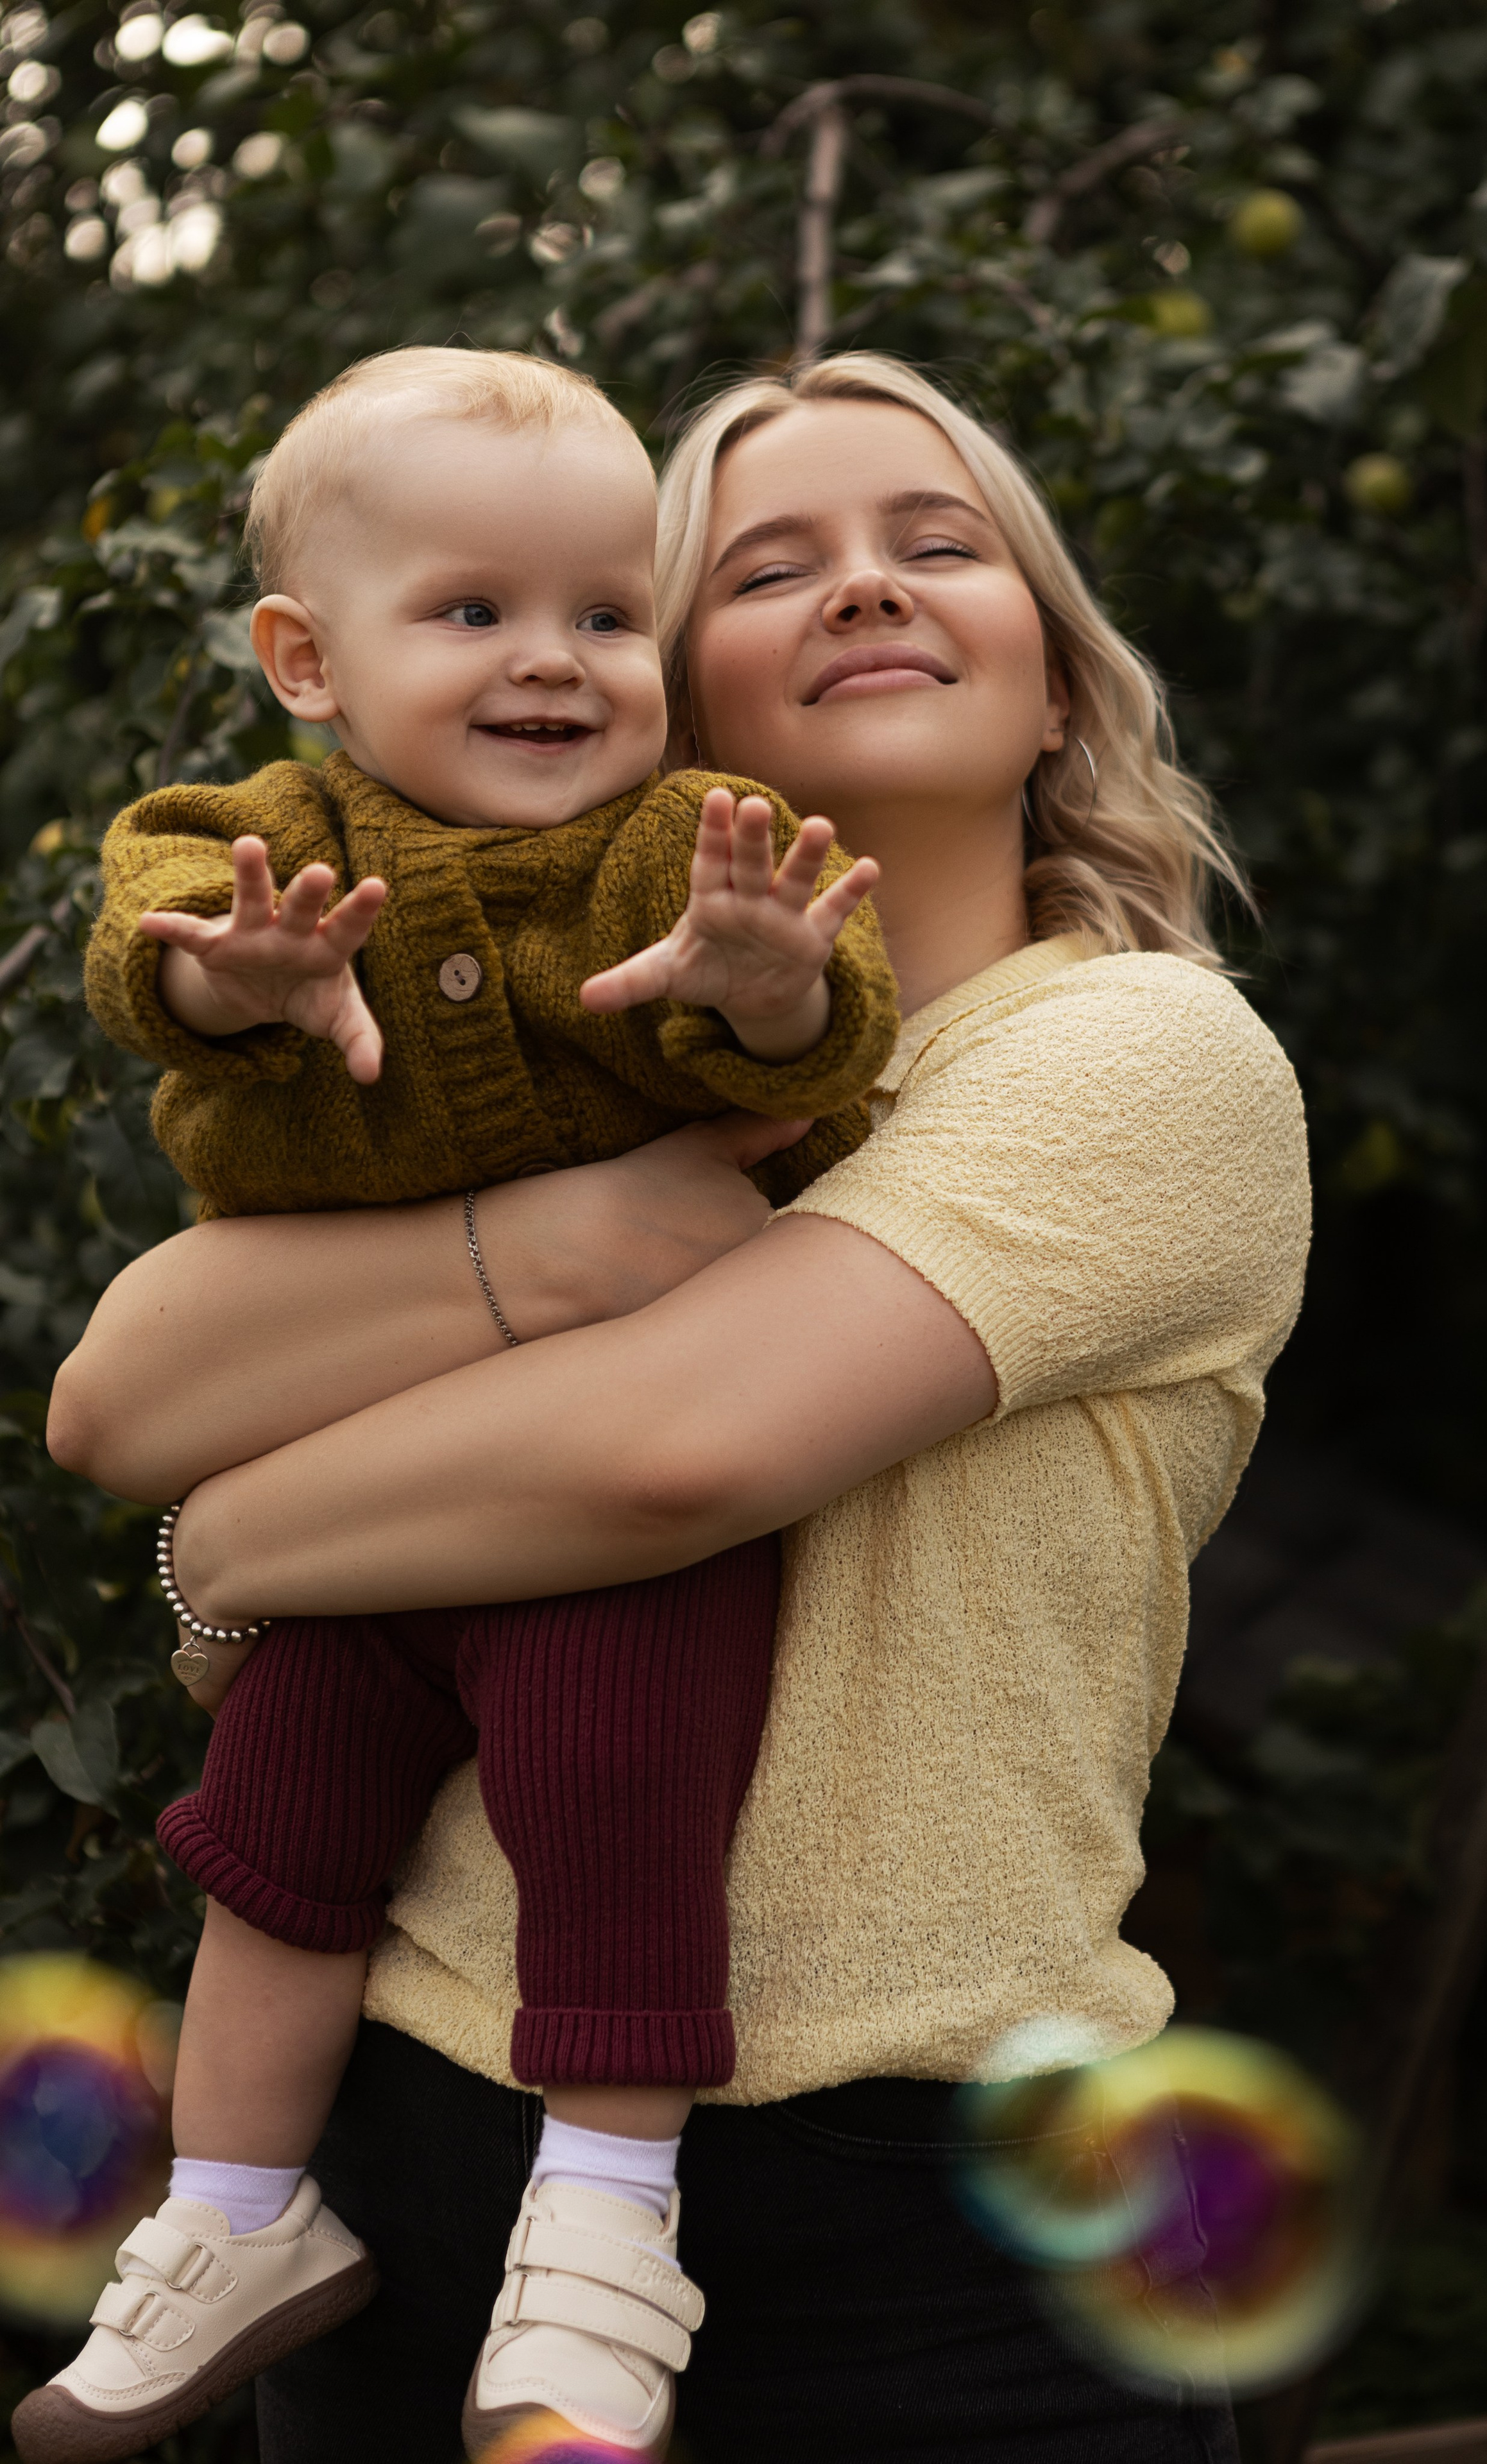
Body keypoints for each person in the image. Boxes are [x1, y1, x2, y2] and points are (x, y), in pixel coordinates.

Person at [45, 352, 1312, 2464]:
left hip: (912, 2213)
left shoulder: (1135, 1061)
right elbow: (117, 1395)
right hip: (417, 2137)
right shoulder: (546, 1102)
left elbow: (670, 1460)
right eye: (768, 564)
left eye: (939, 545)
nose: (864, 590)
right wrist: (570, 1234)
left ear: (1061, 680)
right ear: (675, 707)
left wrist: (239, 1546)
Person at [19, 346, 893, 2464]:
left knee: (620, 1801)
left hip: (596, 1503)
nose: (556, 665)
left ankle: (606, 2226)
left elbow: (813, 1026)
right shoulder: (276, 841)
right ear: (307, 661)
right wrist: (242, 978)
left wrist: (760, 976)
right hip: (354, 1498)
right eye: (475, 613)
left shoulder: (668, 844)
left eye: (607, 617)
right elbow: (147, 927)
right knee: (276, 1843)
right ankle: (232, 2214)